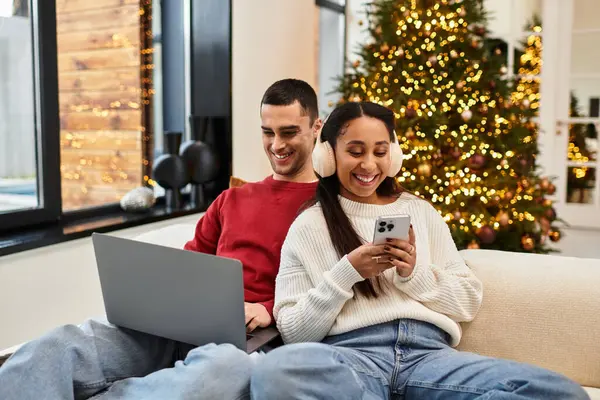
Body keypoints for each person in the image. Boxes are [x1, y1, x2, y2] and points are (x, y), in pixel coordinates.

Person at [0, 78, 321, 400]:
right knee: (58, 345)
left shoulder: (328, 206)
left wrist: (269, 309)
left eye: (289, 132)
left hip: (247, 339)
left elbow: (331, 290)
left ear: (316, 127)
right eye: (268, 132)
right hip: (183, 322)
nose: (277, 144)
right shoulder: (232, 199)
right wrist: (158, 300)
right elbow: (189, 263)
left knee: (224, 372)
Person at [250, 101, 589, 399]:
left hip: (430, 357)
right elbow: (293, 332)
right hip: (352, 358)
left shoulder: (421, 212)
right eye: (355, 151)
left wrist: (414, 274)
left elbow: (468, 301)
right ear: (328, 155)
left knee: (561, 392)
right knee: (276, 372)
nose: (369, 165)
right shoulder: (308, 226)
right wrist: (346, 273)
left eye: (380, 152)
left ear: (393, 156)